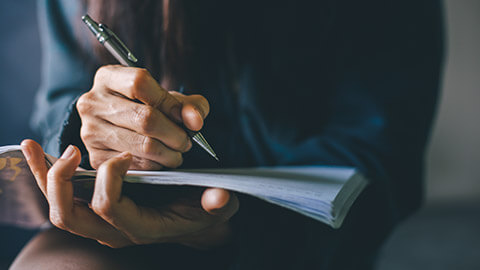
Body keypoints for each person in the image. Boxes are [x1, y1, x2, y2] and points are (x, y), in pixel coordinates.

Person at [11, 0, 444, 269]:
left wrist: (232, 230)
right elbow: (60, 100)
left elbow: (381, 157)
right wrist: (92, 137)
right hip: (117, 224)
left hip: (297, 245)